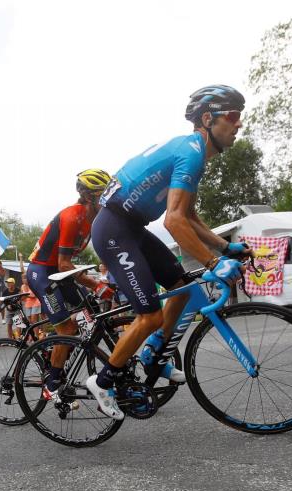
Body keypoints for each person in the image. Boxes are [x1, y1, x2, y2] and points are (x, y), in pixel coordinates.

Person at [85, 85, 252, 420]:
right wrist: (214, 262)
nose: (238, 125)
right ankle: (103, 381)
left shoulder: (193, 152)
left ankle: (154, 354)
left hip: (132, 228)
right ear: (207, 119)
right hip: (114, 229)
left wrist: (224, 246)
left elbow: (188, 215)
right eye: (232, 117)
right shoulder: (191, 151)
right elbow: (174, 221)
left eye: (240, 118)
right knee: (150, 314)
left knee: (180, 287)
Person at [25, 169, 115, 401]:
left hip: (58, 272)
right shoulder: (72, 217)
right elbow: (64, 264)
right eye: (102, 195)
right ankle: (52, 383)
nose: (108, 199)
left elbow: (105, 252)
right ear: (89, 197)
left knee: (91, 312)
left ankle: (58, 349)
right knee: (66, 329)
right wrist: (95, 285)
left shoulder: (94, 220)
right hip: (42, 272)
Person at [19, 254, 42, 334]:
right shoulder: (22, 286)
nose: (24, 279)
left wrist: (25, 295)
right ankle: (34, 336)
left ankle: (37, 337)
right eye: (23, 278)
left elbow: (33, 295)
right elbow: (22, 298)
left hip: (36, 302)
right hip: (28, 303)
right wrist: (20, 258)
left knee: (34, 320)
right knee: (30, 321)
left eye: (25, 277)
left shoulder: (32, 282)